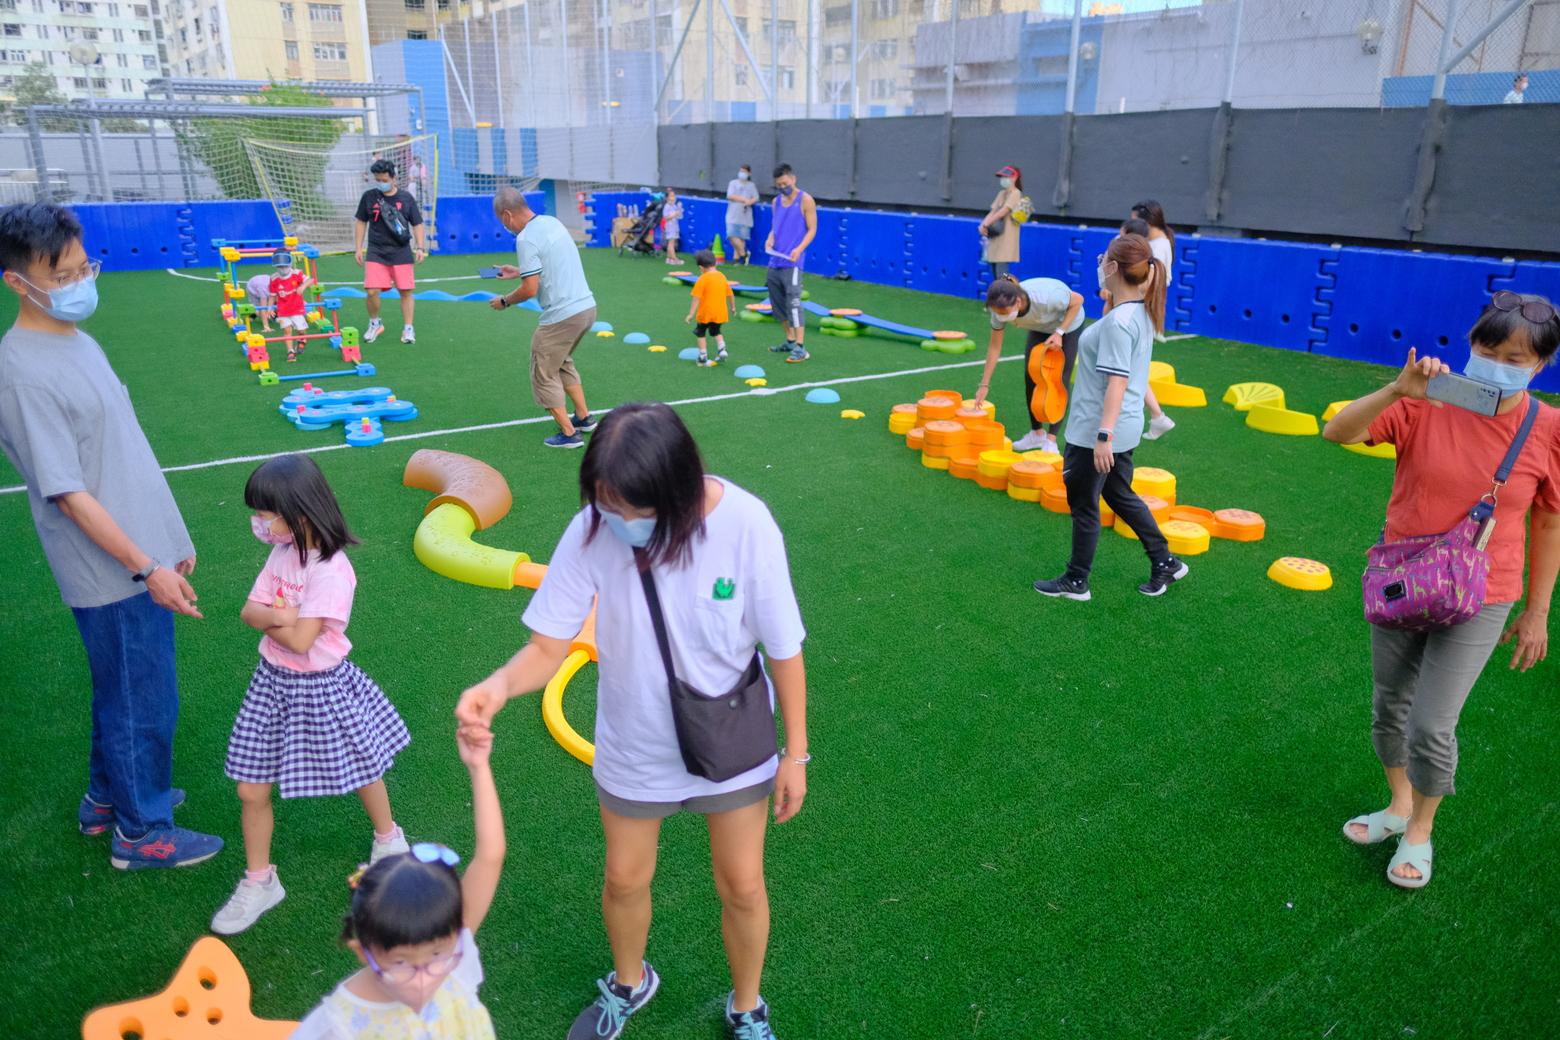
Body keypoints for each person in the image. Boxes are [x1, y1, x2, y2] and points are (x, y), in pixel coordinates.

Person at [456, 402, 809, 1040]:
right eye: (604, 504)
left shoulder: (746, 525)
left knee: (744, 884)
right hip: (634, 741)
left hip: (728, 738)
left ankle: (747, 1006)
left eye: (631, 510)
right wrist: (497, 686)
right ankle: (629, 982)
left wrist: (797, 754)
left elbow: (784, 646)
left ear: (676, 492)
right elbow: (546, 646)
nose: (616, 521)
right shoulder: (593, 527)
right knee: (623, 878)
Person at [0, 202, 222, 869]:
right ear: (19, 282)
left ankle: (106, 799)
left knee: (124, 688)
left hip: (141, 545)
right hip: (110, 569)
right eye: (62, 274)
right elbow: (68, 493)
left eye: (82, 266)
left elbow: (122, 449)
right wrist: (145, 565)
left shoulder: (77, 340)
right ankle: (140, 831)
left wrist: (168, 534)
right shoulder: (21, 370)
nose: (79, 281)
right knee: (143, 700)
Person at [1324, 291, 1560, 890]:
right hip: (1403, 579)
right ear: (1471, 344)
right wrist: (1397, 390)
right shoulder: (1426, 400)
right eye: (1487, 348)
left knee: (1431, 723)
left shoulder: (1548, 428)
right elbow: (1337, 432)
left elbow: (1549, 520)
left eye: (1514, 357)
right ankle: (1398, 804)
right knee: (1389, 706)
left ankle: (1421, 830)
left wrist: (1537, 611)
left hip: (1485, 591)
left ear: (1540, 366)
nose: (1497, 362)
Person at [210, 453, 411, 935]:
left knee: (362, 763)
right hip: (272, 681)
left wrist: (277, 618)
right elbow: (249, 612)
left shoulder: (330, 570)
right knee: (249, 787)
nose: (258, 522)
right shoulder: (283, 552)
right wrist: (285, 616)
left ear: (299, 513)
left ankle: (389, 838)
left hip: (321, 685)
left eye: (264, 513)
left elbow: (303, 642)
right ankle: (260, 881)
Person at [292, 722, 505, 1038]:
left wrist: (479, 767)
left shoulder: (453, 949)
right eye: (401, 964)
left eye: (436, 956)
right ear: (364, 951)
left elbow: (490, 855)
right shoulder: (337, 1025)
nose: (424, 981)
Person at [1034, 233, 1189, 603]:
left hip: (1097, 431)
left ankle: (1076, 581)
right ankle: (1164, 560)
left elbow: (1117, 381)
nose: (1100, 265)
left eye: (1105, 260)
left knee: (1085, 505)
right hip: (1125, 425)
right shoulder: (1137, 313)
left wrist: (1103, 436)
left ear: (1115, 268)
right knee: (1119, 494)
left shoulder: (1121, 321)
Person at [489, 186, 599, 449]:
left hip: (563, 314)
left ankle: (569, 433)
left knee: (542, 369)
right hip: (586, 308)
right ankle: (584, 417)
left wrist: (504, 301)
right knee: (560, 361)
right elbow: (550, 263)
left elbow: (530, 290)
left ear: (506, 216)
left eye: (501, 221)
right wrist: (519, 271)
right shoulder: (552, 222)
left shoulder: (525, 238)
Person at [972, 274, 1084, 454]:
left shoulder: (1048, 297)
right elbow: (994, 348)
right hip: (1039, 327)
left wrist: (1059, 332)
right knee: (1032, 375)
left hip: (1067, 325)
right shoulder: (998, 312)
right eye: (997, 313)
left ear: (1017, 302)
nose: (1001, 317)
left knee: (1057, 378)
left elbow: (1078, 300)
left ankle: (1051, 440)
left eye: (1004, 313)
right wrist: (984, 384)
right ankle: (1036, 433)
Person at [353, 159, 427, 345]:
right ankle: (375, 323)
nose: (381, 182)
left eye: (384, 179)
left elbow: (417, 223)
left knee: (406, 291)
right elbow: (361, 221)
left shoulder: (406, 198)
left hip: (401, 251)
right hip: (376, 251)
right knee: (371, 291)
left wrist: (419, 246)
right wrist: (358, 247)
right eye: (377, 179)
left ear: (393, 178)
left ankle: (408, 328)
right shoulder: (369, 197)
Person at [1128, 199, 1178, 441]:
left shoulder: (1157, 246)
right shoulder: (1159, 242)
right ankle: (1158, 417)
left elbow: (1151, 283)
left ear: (1147, 222)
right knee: (1132, 367)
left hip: (1142, 310)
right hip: (1144, 309)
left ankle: (1158, 416)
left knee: (1131, 368)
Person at [764, 163, 817, 364]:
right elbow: (775, 227)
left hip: (793, 262)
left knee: (793, 302)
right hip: (774, 259)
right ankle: (790, 339)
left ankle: (801, 347)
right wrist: (770, 237)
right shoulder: (776, 202)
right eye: (779, 185)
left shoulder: (806, 200)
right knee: (777, 304)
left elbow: (812, 229)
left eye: (785, 183)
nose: (783, 187)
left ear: (793, 179)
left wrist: (799, 249)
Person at [686, 249, 735, 367]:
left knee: (700, 333)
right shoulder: (722, 276)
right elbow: (730, 294)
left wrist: (691, 314)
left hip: (705, 313)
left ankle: (703, 356)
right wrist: (733, 307)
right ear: (716, 263)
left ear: (701, 268)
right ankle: (722, 349)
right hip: (720, 312)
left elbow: (696, 298)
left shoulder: (703, 278)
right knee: (716, 331)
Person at [268, 250, 313, 363]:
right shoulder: (274, 278)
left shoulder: (296, 273)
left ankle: (302, 340)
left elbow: (311, 280)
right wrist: (269, 308)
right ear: (276, 266)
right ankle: (290, 352)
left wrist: (303, 287)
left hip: (297, 308)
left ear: (290, 264)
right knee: (287, 331)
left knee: (301, 330)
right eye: (280, 266)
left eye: (285, 265)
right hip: (283, 310)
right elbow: (272, 296)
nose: (282, 268)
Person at [979, 165, 1023, 280]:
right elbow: (993, 211)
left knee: (1002, 272)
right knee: (994, 269)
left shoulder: (1016, 193)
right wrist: (982, 225)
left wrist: (986, 224)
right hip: (995, 235)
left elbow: (1004, 211)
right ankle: (1003, 290)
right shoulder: (1001, 194)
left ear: (1015, 177)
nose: (1003, 180)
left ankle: (1006, 290)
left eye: (1006, 177)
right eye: (1002, 177)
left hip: (1007, 238)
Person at [725, 163, 759, 264]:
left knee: (742, 237)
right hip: (733, 214)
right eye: (741, 171)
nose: (742, 174)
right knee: (731, 234)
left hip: (745, 214)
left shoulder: (751, 185)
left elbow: (756, 197)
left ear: (749, 173)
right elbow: (730, 195)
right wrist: (744, 199)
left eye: (744, 172)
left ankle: (736, 259)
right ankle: (744, 254)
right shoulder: (733, 183)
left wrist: (750, 202)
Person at [661, 189, 683, 265]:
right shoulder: (667, 206)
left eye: (674, 196)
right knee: (671, 243)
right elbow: (666, 217)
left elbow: (679, 216)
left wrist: (679, 211)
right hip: (670, 226)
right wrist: (674, 214)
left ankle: (669, 258)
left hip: (674, 226)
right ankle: (675, 259)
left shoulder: (674, 206)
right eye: (671, 196)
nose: (673, 197)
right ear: (667, 198)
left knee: (672, 242)